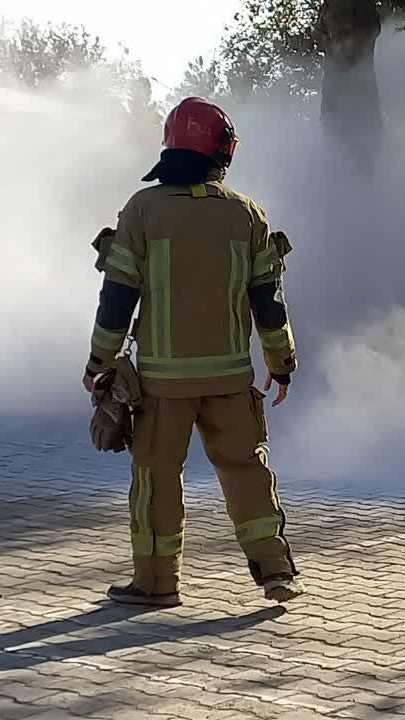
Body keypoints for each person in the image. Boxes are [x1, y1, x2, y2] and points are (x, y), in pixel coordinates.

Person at [85, 97, 301, 607]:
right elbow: (267, 300)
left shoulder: (142, 211)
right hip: (229, 379)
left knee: (157, 479)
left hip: (163, 384)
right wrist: (282, 363)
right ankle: (275, 570)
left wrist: (99, 363)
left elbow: (117, 297)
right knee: (246, 470)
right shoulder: (247, 215)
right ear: (221, 152)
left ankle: (156, 584)